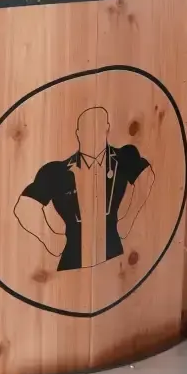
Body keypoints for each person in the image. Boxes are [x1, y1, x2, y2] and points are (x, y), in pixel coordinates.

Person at [14, 107, 155, 272]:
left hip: (115, 257)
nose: (92, 134)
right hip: (73, 260)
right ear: (78, 134)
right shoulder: (57, 171)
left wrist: (129, 218)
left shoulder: (123, 157)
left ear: (107, 128)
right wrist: (50, 239)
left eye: (98, 127)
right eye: (86, 129)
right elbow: (24, 206)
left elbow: (146, 176)